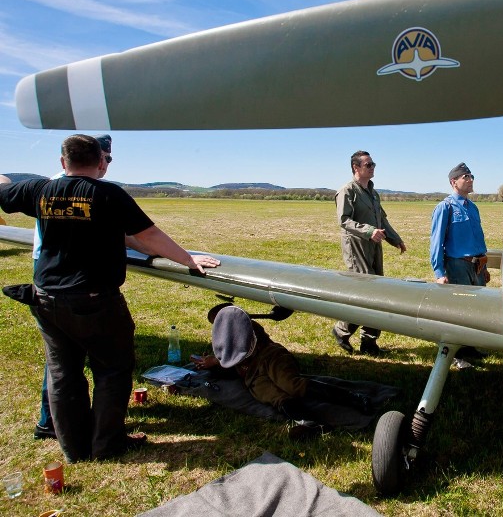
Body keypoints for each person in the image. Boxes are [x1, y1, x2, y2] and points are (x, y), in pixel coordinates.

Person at [0, 134, 221, 463]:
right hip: (94, 300)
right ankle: (107, 445)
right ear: (100, 161)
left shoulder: (39, 190)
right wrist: (189, 259)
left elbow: (4, 189)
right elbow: (149, 235)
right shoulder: (107, 194)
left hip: (46, 298)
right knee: (113, 371)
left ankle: (73, 450)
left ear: (63, 163)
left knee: (63, 374)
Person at [31, 134, 112, 441]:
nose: (105, 166)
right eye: (103, 158)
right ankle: (86, 431)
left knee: (60, 359)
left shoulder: (46, 187)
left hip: (48, 279)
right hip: (72, 282)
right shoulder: (83, 190)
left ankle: (54, 424)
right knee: (89, 361)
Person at [194, 305, 380, 436]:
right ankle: (311, 423)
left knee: (291, 385)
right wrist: (212, 364)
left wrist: (217, 362)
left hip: (270, 357)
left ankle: (354, 398)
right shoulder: (222, 339)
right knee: (272, 396)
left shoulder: (248, 328)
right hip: (251, 374)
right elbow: (231, 364)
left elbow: (239, 352)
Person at [331, 150, 406, 356]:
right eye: (368, 165)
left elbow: (382, 220)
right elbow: (344, 221)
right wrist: (369, 231)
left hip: (374, 246)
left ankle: (368, 342)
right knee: (365, 294)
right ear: (356, 167)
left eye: (373, 164)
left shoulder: (373, 193)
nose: (372, 168)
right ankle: (341, 330)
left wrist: (395, 239)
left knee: (378, 291)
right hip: (357, 247)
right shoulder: (347, 191)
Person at [429, 162, 489, 368]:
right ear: (454, 182)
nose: (471, 179)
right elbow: (436, 242)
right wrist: (439, 272)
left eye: (472, 176)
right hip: (457, 265)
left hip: (477, 266)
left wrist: (484, 266)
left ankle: (470, 346)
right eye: (466, 177)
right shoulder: (445, 207)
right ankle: (457, 354)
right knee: (459, 310)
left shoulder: (473, 207)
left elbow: (478, 239)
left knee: (476, 309)